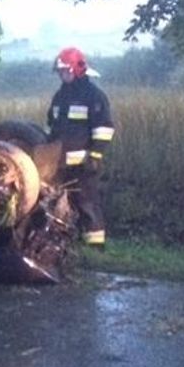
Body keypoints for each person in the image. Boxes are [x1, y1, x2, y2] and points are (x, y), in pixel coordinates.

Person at [47, 46, 115, 247]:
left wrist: (95, 156)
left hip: (84, 164)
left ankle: (95, 245)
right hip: (61, 163)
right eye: (60, 72)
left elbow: (104, 129)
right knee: (63, 204)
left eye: (65, 71)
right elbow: (52, 125)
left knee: (87, 203)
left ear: (76, 69)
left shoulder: (93, 96)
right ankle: (71, 243)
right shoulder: (60, 96)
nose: (62, 75)